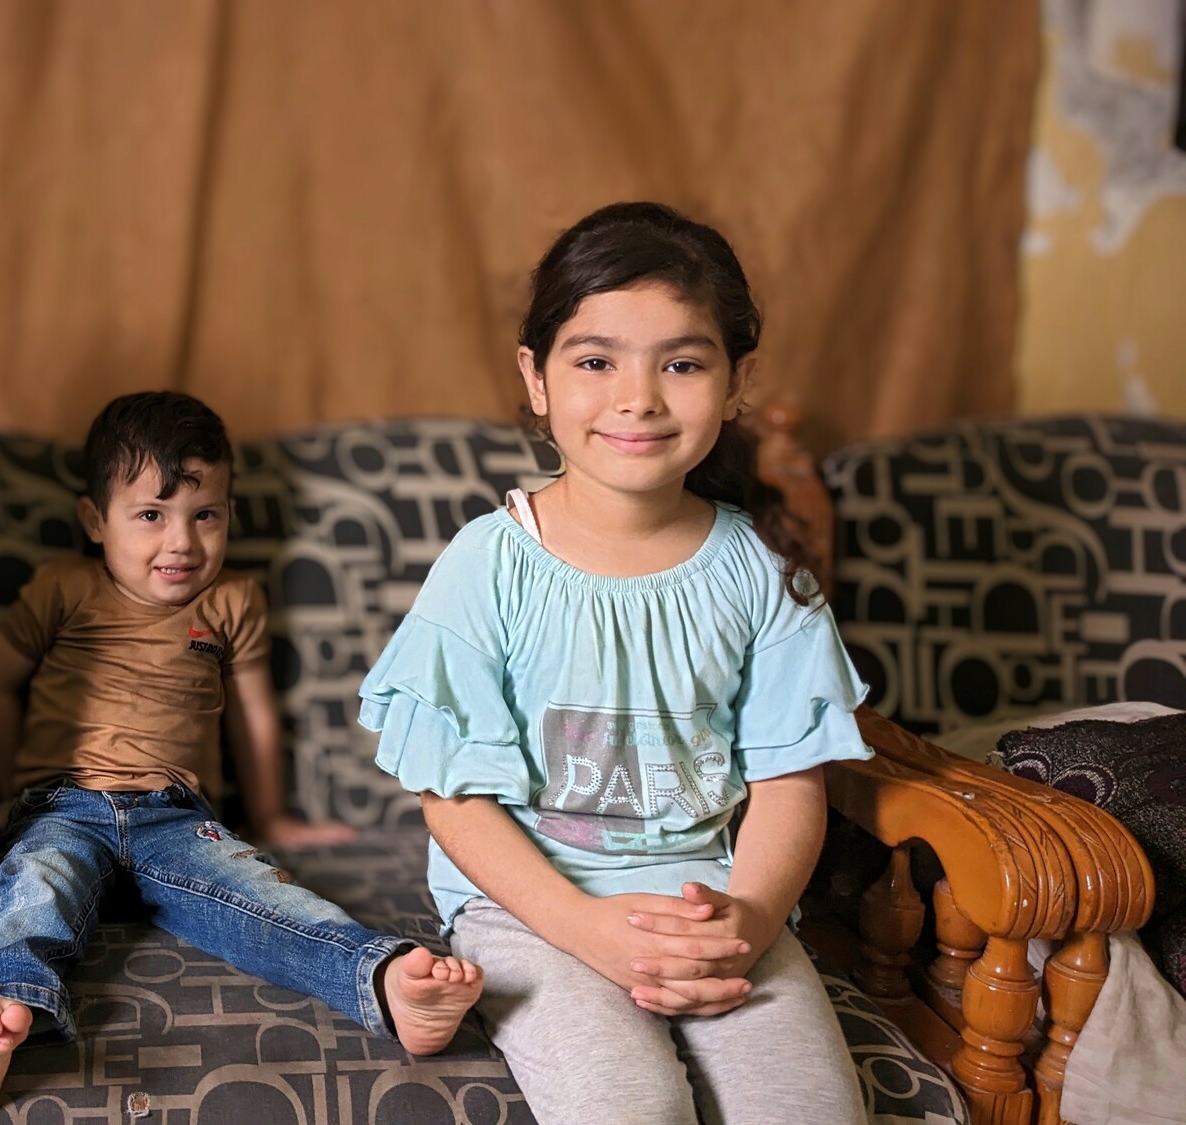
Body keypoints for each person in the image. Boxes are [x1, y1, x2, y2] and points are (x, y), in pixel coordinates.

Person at [360, 202, 870, 1124]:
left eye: (680, 362)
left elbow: (792, 783)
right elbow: (454, 797)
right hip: (531, 910)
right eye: (596, 361)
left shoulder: (763, 570)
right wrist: (589, 930)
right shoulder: (489, 563)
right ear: (538, 377)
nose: (638, 397)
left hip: (712, 902)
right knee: (629, 1107)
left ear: (737, 380)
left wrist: (748, 921)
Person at [0, 391, 483, 1113]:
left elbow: (254, 712)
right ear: (95, 521)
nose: (182, 543)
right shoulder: (64, 589)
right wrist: (14, 793)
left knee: (262, 899)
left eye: (207, 515)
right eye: (151, 516)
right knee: (35, 887)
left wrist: (273, 816)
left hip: (175, 817)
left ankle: (383, 979)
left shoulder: (231, 602)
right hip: (67, 803)